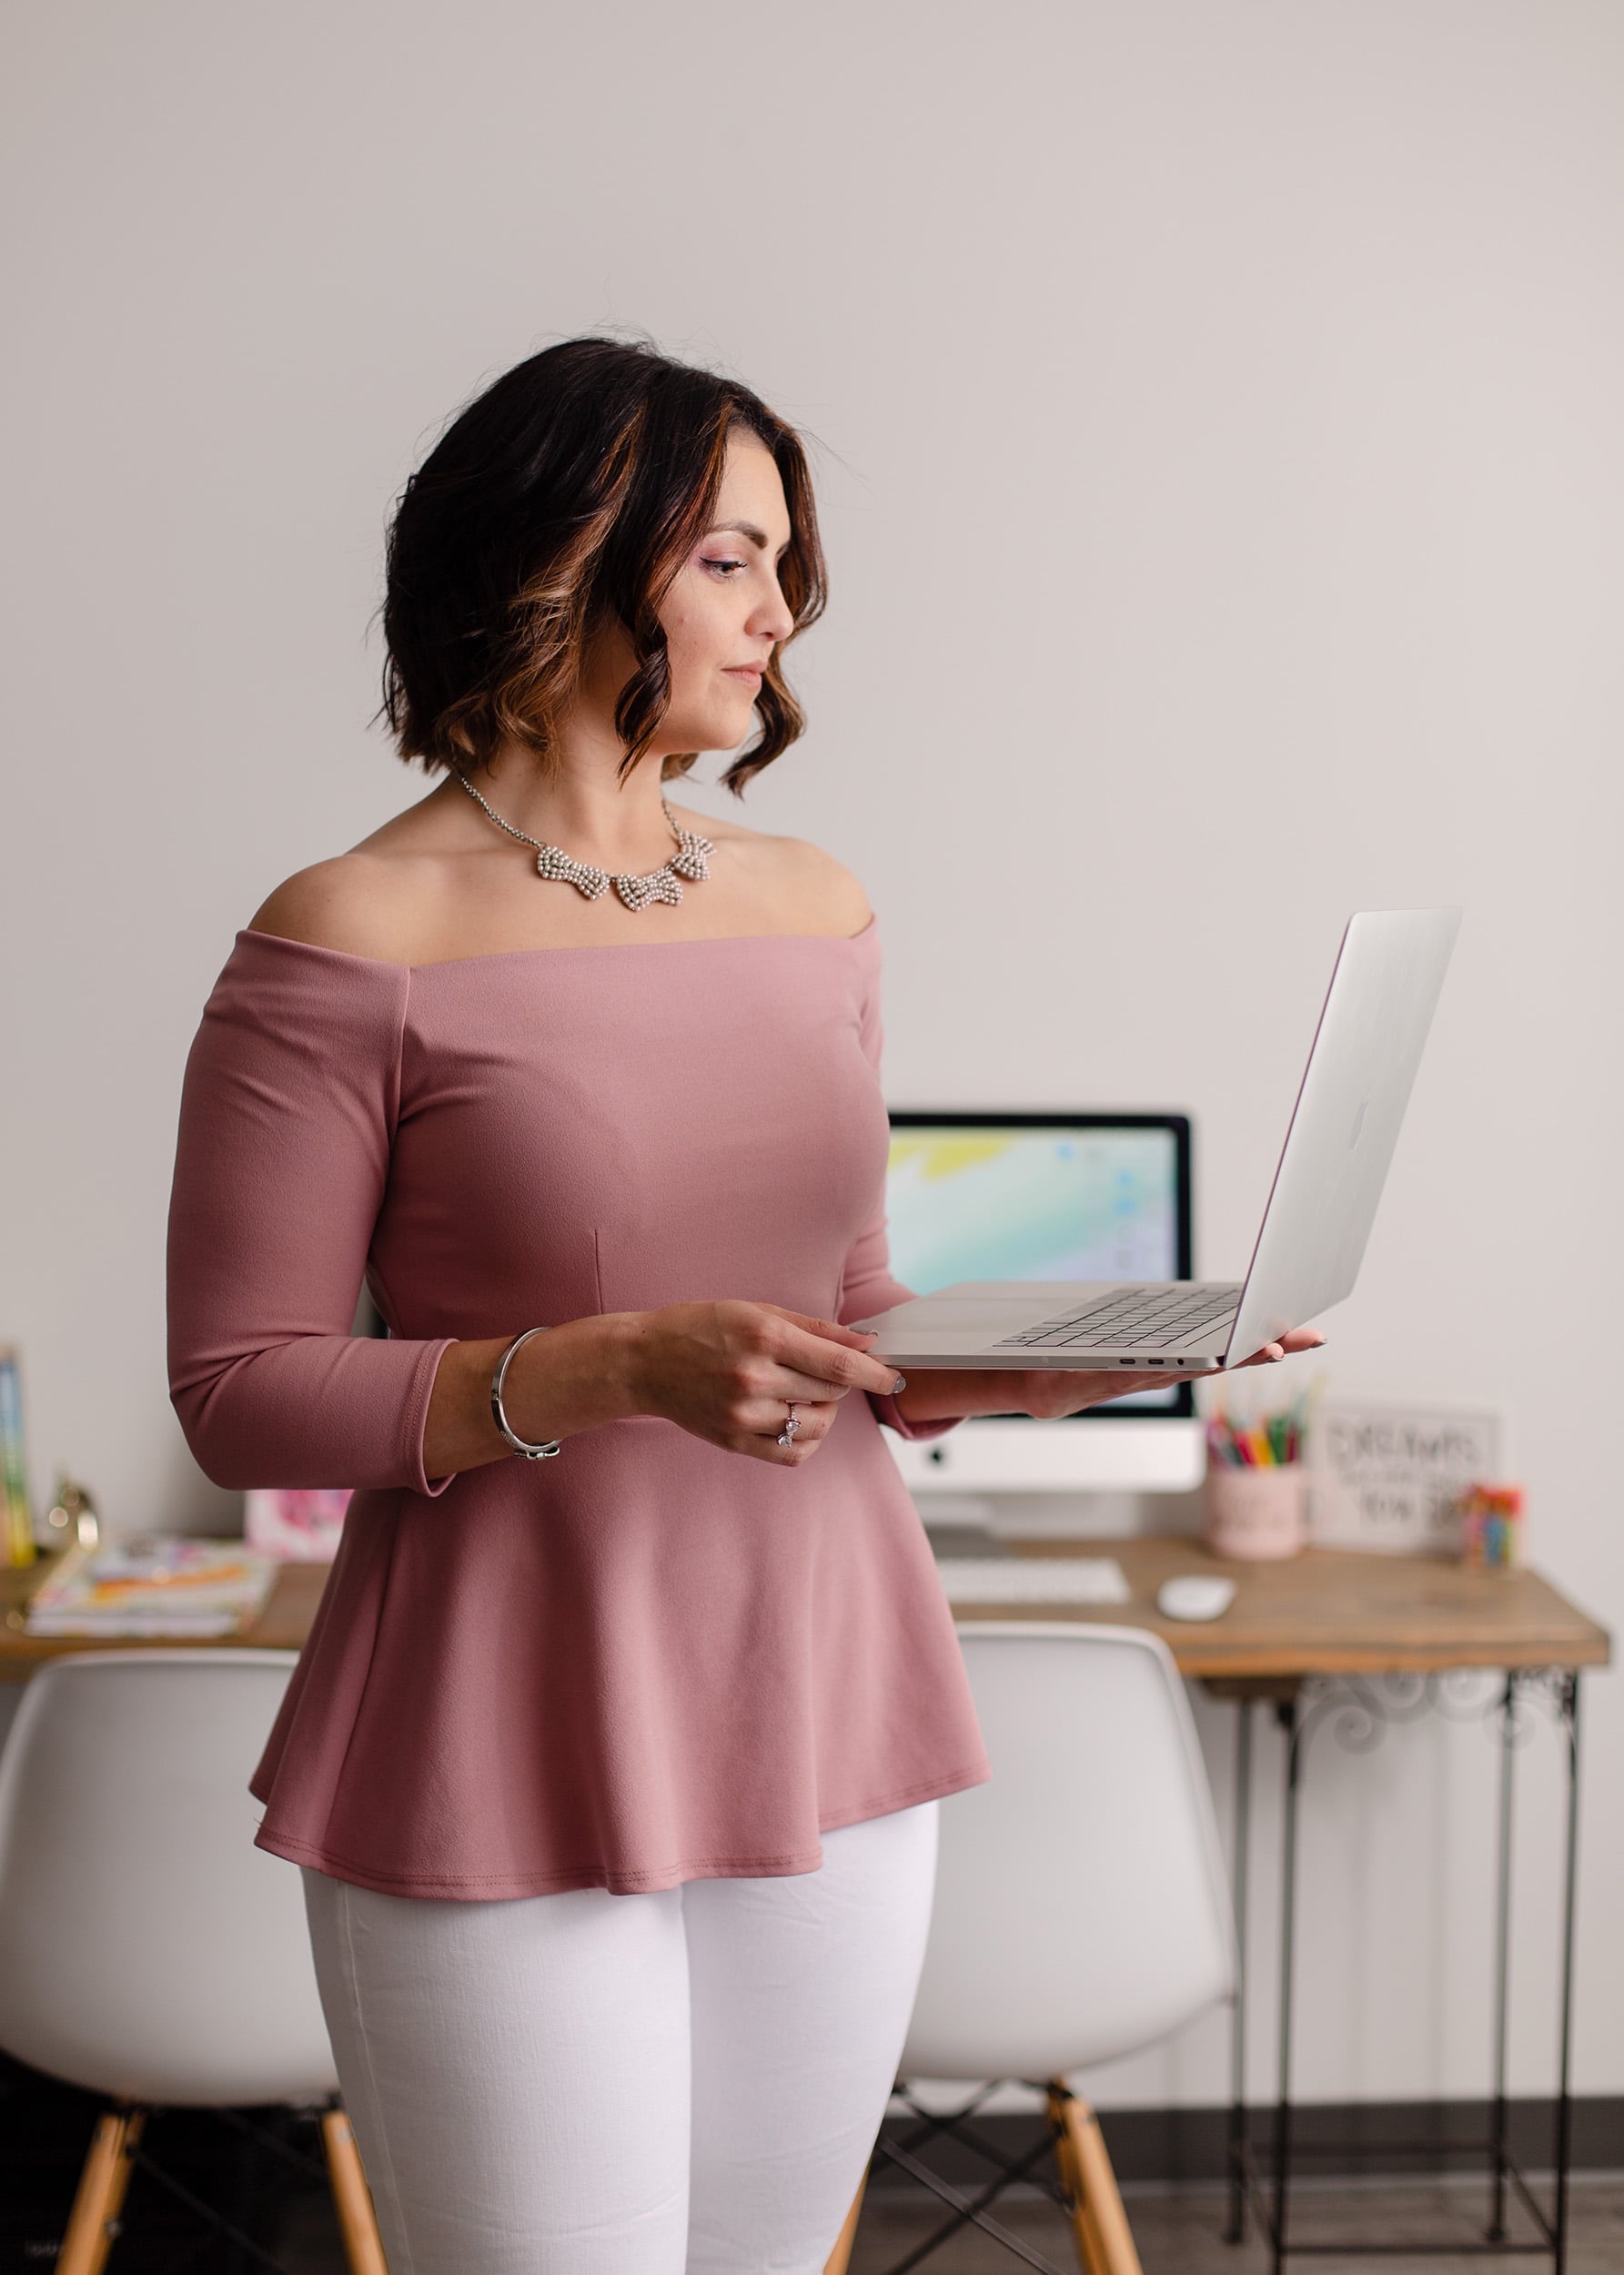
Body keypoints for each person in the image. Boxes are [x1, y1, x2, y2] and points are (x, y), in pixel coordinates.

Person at [166, 338, 1320, 2274]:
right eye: (725, 556)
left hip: (826, 1694)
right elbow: (239, 1388)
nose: (779, 610)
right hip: (500, 1720)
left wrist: (1076, 1350)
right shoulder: (346, 935)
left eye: (783, 560)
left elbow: (847, 1309)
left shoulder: (813, 903)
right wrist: (606, 1365)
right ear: (557, 564)